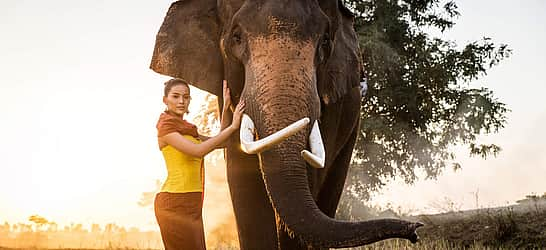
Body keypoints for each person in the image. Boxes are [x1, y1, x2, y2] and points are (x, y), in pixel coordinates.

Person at [154, 78, 244, 250]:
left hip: (191, 201)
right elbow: (199, 151)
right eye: (175, 96)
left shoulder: (188, 130)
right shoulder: (165, 128)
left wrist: (225, 108)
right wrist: (233, 127)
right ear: (165, 100)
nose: (181, 101)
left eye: (186, 97)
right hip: (173, 203)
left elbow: (220, 142)